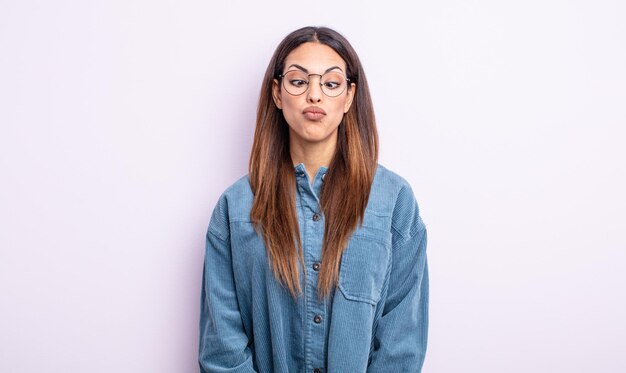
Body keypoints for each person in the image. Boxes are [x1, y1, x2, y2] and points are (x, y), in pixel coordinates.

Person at [199, 26, 428, 373]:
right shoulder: (235, 209)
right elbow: (222, 349)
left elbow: (402, 344)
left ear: (349, 96)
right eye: (298, 81)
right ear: (277, 93)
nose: (315, 96)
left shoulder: (393, 202)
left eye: (331, 83)